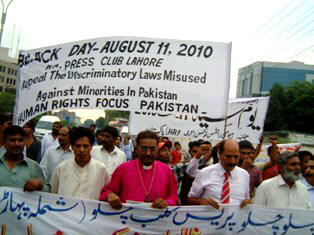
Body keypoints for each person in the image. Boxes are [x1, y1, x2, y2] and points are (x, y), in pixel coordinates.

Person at [100, 130, 179, 210]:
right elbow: (105, 192)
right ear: (137, 149)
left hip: (157, 220)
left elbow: (174, 198)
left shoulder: (167, 170)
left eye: (152, 149)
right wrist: (109, 195)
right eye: (144, 149)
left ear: (157, 150)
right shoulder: (123, 169)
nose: (148, 153)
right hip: (127, 220)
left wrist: (167, 202)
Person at [50, 127, 110, 200]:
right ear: (72, 147)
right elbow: (52, 194)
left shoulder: (101, 169)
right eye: (78, 146)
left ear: (91, 147)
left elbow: (108, 192)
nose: (81, 150)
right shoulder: (61, 168)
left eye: (85, 146)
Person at [187, 139, 250, 209]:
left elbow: (247, 199)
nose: (232, 161)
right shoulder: (204, 173)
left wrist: (247, 202)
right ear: (219, 154)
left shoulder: (245, 175)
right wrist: (201, 201)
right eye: (228, 156)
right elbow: (190, 199)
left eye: (236, 157)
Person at [0, 125, 50, 192]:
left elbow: (48, 191)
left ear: (25, 142)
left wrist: (39, 184)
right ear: (4, 142)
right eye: (12, 140)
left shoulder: (34, 166)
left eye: (20, 140)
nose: (17, 144)